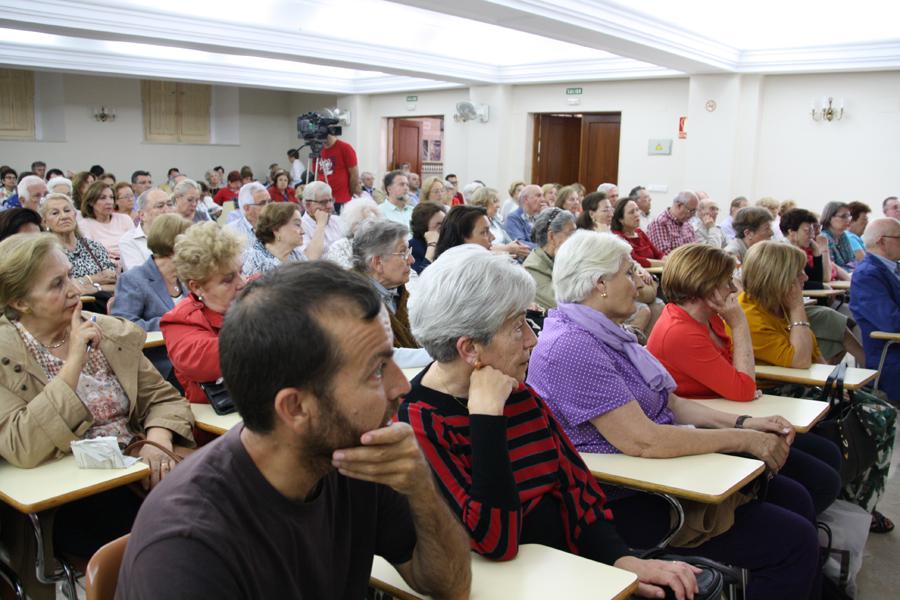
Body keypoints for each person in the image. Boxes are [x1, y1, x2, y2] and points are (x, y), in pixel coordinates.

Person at [117, 261, 471, 599]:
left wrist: (421, 487)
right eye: (377, 370)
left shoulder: (353, 456)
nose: (401, 387)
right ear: (295, 408)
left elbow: (448, 584)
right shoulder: (188, 547)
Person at [525, 231, 821, 599]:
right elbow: (643, 441)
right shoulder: (572, 345)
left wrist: (745, 423)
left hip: (662, 475)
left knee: (795, 498)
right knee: (794, 540)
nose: (639, 283)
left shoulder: (608, 334)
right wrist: (745, 439)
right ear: (600, 284)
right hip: (625, 497)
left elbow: (672, 404)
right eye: (628, 274)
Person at [400, 244, 705, 600]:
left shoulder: (519, 394)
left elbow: (577, 489)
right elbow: (496, 541)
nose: (532, 340)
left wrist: (620, 559)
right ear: (469, 349)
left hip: (573, 571)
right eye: (517, 328)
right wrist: (486, 419)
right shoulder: (419, 421)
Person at [0, 233, 195, 574]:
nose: (75, 290)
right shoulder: (6, 355)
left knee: (228, 510)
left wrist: (158, 442)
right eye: (57, 284)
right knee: (179, 544)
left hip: (138, 470)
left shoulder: (109, 334)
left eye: (70, 275)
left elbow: (164, 398)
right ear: (20, 302)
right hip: (71, 496)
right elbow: (23, 446)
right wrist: (74, 361)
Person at [646, 243, 842, 514]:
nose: (734, 290)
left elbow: (740, 381)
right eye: (727, 282)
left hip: (725, 413)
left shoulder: (709, 318)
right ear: (707, 287)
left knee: (827, 453)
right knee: (819, 481)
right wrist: (739, 323)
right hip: (705, 427)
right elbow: (744, 389)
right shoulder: (681, 331)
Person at [740, 240, 896, 523]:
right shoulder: (751, 314)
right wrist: (798, 306)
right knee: (874, 420)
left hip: (802, 385)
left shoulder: (777, 307)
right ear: (778, 278)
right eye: (798, 273)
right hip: (776, 392)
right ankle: (858, 505)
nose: (804, 278)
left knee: (882, 415)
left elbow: (814, 355)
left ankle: (859, 503)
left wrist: (839, 387)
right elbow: (799, 361)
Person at [160, 223, 247, 405]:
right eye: (228, 279)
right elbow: (210, 357)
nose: (242, 282)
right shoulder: (180, 321)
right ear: (196, 286)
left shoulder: (256, 292)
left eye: (242, 271)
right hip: (220, 426)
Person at [352, 220, 430, 368]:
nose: (412, 260)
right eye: (403, 253)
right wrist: (441, 354)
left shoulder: (400, 290)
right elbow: (377, 355)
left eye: (409, 252)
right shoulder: (351, 297)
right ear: (377, 262)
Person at [112, 214, 191, 331]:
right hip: (157, 348)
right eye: (190, 244)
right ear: (173, 246)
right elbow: (124, 326)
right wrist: (171, 322)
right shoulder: (134, 279)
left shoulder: (186, 278)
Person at [850, 218, 900, 404]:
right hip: (892, 355)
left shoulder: (891, 268)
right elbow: (891, 322)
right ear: (882, 241)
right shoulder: (867, 274)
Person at [40, 193, 117, 300]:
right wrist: (94, 278)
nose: (63, 216)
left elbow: (115, 283)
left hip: (104, 305)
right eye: (55, 213)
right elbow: (60, 288)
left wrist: (94, 288)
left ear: (75, 215)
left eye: (67, 211)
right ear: (45, 222)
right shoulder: (47, 252)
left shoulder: (94, 247)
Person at [523, 207, 577, 309]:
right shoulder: (532, 269)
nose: (577, 239)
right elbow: (563, 304)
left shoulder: (561, 259)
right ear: (551, 236)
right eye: (571, 234)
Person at [242, 203, 308, 276]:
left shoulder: (297, 255)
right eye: (297, 224)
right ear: (276, 229)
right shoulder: (254, 260)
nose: (303, 231)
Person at [119, 189, 176, 271]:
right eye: (160, 206)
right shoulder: (128, 241)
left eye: (170, 204)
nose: (167, 210)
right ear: (142, 215)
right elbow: (140, 278)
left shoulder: (181, 234)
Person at [469, 187, 531, 259]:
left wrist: (517, 247)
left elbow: (509, 241)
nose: (499, 205)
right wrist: (507, 249)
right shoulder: (474, 224)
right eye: (495, 201)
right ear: (483, 203)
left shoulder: (496, 220)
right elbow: (479, 249)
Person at [324, 195, 384, 269]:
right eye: (368, 224)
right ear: (353, 226)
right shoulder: (339, 247)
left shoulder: (382, 245)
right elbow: (346, 274)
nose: (372, 229)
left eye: (375, 224)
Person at [611, 196, 663, 268]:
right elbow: (635, 260)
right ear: (621, 219)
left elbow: (658, 254)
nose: (637, 214)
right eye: (631, 212)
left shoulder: (640, 232)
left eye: (637, 210)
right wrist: (664, 264)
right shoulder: (617, 236)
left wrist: (669, 261)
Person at [646, 191, 699, 256]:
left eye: (694, 212)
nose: (692, 215)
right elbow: (664, 255)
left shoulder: (687, 224)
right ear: (679, 205)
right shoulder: (660, 223)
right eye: (691, 211)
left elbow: (696, 249)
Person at [317, 132, 360, 212]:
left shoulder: (345, 147)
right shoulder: (318, 150)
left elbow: (354, 174)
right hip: (322, 200)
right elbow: (317, 173)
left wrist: (350, 194)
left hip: (341, 199)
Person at [300, 181, 343, 259]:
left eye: (330, 200)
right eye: (323, 202)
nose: (330, 206)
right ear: (308, 205)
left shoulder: (337, 220)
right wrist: (320, 225)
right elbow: (310, 258)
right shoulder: (300, 227)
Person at [820, 201, 856, 277]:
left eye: (849, 216)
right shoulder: (823, 237)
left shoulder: (844, 236)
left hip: (848, 276)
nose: (848, 220)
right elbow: (832, 267)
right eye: (843, 216)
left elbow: (852, 261)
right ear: (829, 218)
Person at [408, 201, 444, 274]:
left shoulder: (446, 243)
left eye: (445, 223)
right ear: (423, 226)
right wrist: (432, 246)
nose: (445, 228)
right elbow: (422, 276)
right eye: (439, 226)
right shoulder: (412, 246)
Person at [504, 184, 544, 248]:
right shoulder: (513, 218)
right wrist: (545, 248)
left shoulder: (541, 217)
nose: (543, 200)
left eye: (543, 196)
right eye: (538, 196)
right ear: (526, 199)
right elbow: (520, 243)